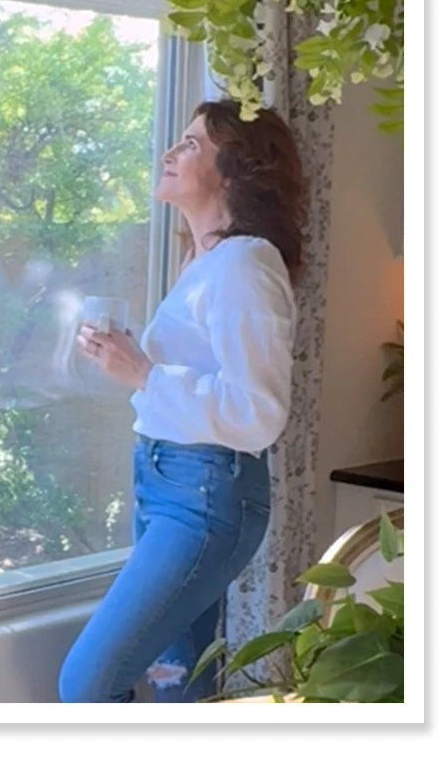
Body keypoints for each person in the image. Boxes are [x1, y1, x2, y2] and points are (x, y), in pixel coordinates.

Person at [56, 98, 304, 703]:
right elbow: (197, 379)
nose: (170, 152)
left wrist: (144, 373)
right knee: (181, 687)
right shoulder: (205, 261)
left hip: (206, 492)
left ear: (235, 170)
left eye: (191, 144)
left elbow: (258, 412)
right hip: (167, 478)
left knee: (86, 683)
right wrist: (129, 362)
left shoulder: (246, 263)